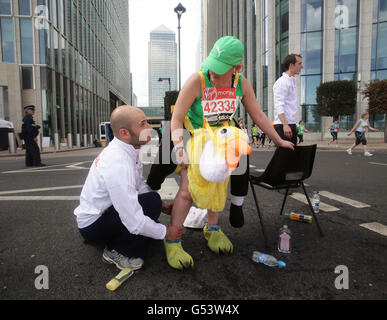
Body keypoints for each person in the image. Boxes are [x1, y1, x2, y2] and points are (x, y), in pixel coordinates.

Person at [159, 36, 294, 270]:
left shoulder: (241, 83)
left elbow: (259, 116)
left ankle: (212, 230)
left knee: (219, 186)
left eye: (220, 71)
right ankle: (172, 239)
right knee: (186, 191)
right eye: (212, 66)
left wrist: (278, 140)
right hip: (196, 138)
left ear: (236, 68)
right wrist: (179, 148)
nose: (213, 74)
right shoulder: (197, 80)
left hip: (222, 141)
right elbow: (177, 118)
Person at [74, 106, 183, 270]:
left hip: (105, 213)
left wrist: (161, 206)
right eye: (143, 124)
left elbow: (138, 185)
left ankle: (124, 236)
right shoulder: (118, 163)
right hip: (93, 226)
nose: (149, 129)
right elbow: (133, 220)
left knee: (153, 201)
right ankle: (117, 251)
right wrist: (166, 232)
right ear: (124, 133)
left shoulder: (130, 148)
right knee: (150, 205)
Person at [273, 54, 304, 145]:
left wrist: (295, 125)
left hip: (290, 124)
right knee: (285, 157)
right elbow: (279, 105)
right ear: (291, 65)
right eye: (299, 64)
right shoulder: (282, 82)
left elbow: (291, 106)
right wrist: (285, 125)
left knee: (290, 157)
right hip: (283, 125)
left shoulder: (291, 81)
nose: (302, 66)